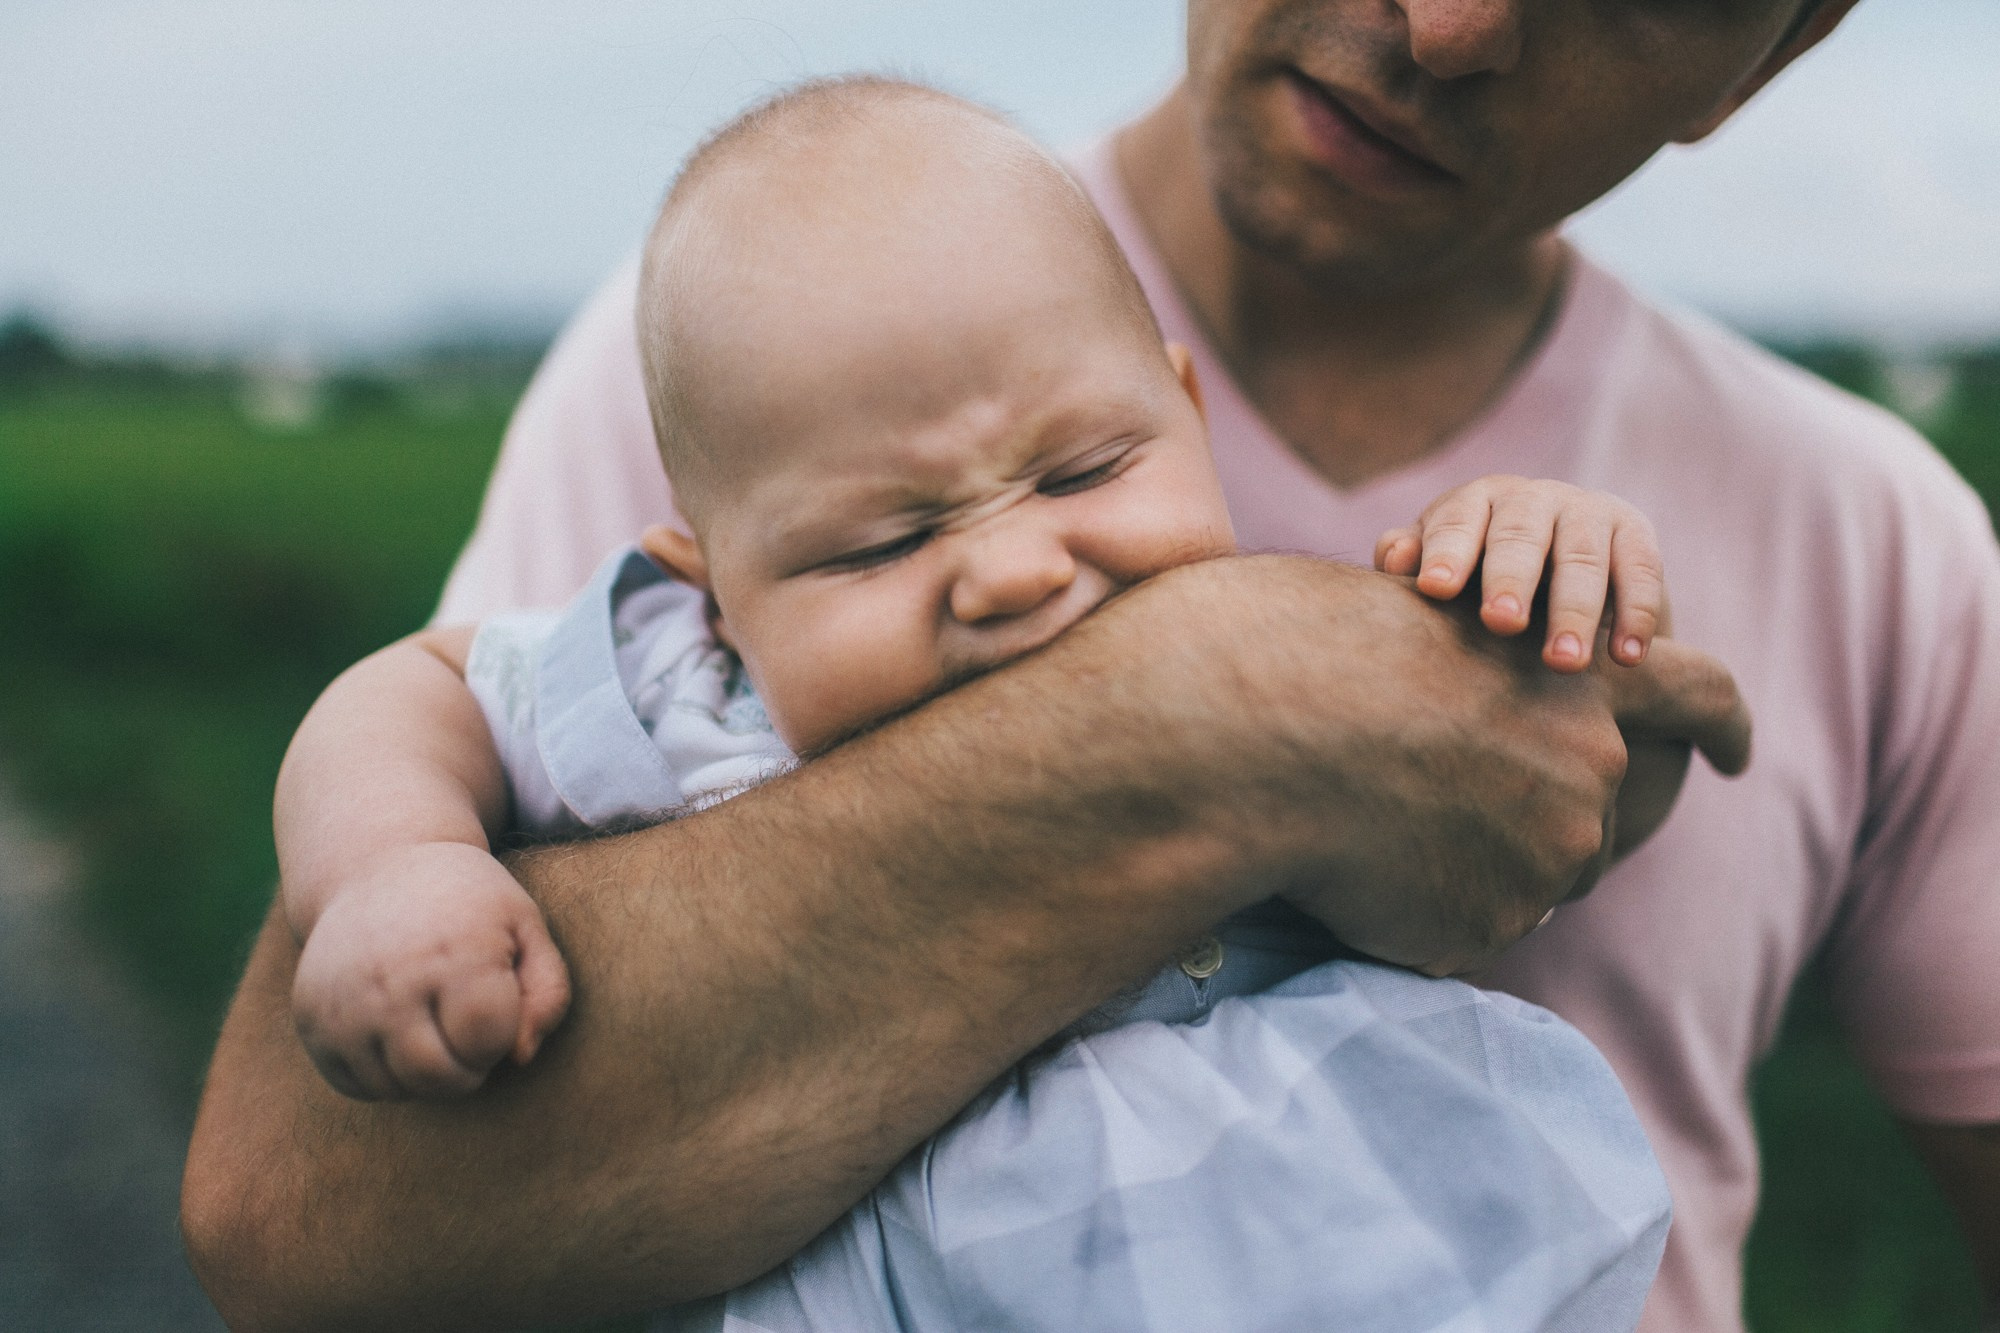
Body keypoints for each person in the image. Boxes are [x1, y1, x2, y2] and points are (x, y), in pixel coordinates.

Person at [182, 2, 2000, 1330]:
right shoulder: (766, 345)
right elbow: (292, 1219)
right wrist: (1219, 707)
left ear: (1779, 45)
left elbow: (1568, 815)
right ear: (710, 575)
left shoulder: (1877, 536)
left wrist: (1578, 666)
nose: (1447, 27)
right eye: (884, 544)